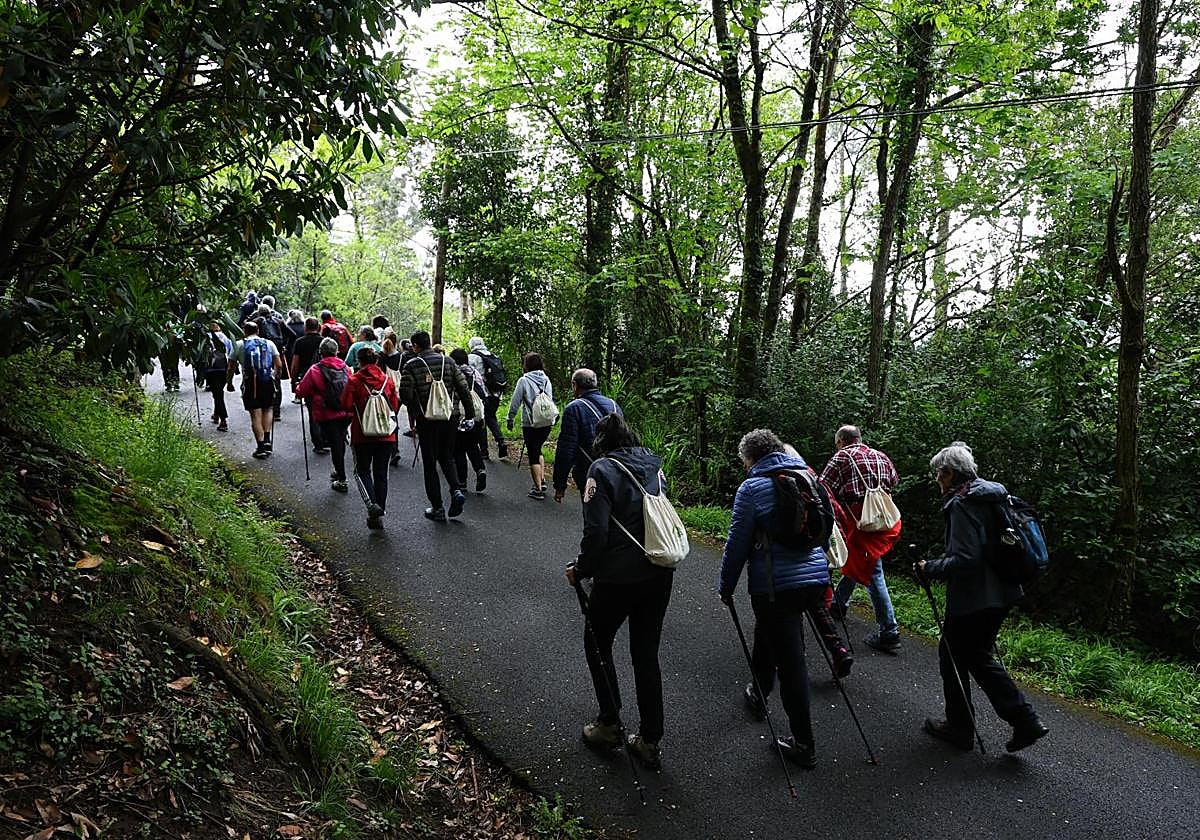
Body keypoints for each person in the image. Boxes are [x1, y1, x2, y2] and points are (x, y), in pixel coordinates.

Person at [917, 442, 1049, 753]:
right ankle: (1021, 720)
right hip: (1004, 591)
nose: (937, 480)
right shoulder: (994, 495)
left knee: (954, 656)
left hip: (975, 597)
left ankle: (965, 727)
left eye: (938, 474)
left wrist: (929, 567)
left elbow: (966, 559)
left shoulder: (962, 504)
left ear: (949, 474)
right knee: (975, 656)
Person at [717, 428, 833, 769]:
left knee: (792, 661)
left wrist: (726, 586)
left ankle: (804, 744)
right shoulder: (808, 476)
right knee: (768, 634)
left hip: (775, 587)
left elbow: (737, 543)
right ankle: (759, 690)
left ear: (750, 458)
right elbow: (826, 527)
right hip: (813, 580)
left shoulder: (751, 488)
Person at [565, 414, 674, 771]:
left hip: (617, 577)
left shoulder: (601, 469)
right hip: (658, 571)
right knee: (646, 653)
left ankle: (609, 723)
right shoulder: (653, 464)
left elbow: (596, 532)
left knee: (597, 643)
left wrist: (582, 569)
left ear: (600, 442)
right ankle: (649, 739)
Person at [821, 424, 903, 654]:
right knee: (860, 560)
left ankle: (889, 631)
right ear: (859, 438)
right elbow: (894, 481)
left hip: (859, 522)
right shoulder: (880, 455)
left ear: (840, 442)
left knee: (873, 571)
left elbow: (823, 488)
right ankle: (839, 603)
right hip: (883, 521)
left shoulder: (841, 458)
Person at [399, 331, 476, 522]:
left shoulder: (412, 365)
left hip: (427, 421)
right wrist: (470, 413)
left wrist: (417, 409)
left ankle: (437, 508)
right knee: (447, 457)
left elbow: (405, 396)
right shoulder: (448, 362)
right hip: (450, 417)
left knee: (430, 463)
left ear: (415, 346)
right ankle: (456, 490)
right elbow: (463, 388)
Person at [340, 346, 399, 528]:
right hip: (386, 435)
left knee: (361, 471)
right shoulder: (387, 381)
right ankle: (379, 510)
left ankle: (372, 504)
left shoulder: (355, 380)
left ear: (360, 362)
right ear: (376, 361)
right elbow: (394, 406)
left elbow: (346, 405)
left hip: (362, 434)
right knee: (381, 474)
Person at [553, 368, 621, 504]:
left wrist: (560, 485)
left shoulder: (574, 408)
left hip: (590, 472)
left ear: (574, 385)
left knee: (593, 516)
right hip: (616, 470)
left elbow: (566, 449)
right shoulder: (614, 405)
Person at [295, 338, 353, 493]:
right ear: (336, 351)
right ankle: (338, 470)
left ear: (321, 353)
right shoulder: (345, 368)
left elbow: (302, 392)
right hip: (346, 412)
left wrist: (297, 387)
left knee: (336, 445)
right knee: (339, 442)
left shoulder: (315, 369)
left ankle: (342, 479)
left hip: (327, 413)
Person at [226, 321, 281, 459]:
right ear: (258, 331)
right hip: (267, 381)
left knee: (255, 414)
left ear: (244, 331)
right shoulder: (269, 344)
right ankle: (267, 439)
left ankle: (261, 447)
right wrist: (274, 376)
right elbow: (278, 364)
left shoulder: (239, 345)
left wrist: (229, 382)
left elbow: (231, 366)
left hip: (250, 383)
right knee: (268, 409)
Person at [507, 352, 554, 500]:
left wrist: (510, 418)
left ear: (526, 365)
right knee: (537, 449)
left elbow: (515, 402)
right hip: (546, 421)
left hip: (530, 423)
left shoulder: (524, 381)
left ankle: (538, 490)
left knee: (533, 454)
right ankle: (542, 480)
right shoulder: (546, 379)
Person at [449, 347, 487, 492]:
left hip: (459, 415)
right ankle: (480, 469)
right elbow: (483, 393)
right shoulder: (475, 373)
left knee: (458, 449)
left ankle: (462, 481)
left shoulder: (454, 373)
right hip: (476, 414)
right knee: (472, 446)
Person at [290, 317, 328, 452]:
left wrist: (293, 380)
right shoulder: (324, 341)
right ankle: (326, 439)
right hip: (325, 378)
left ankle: (318, 443)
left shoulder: (300, 342)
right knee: (326, 408)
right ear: (318, 327)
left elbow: (295, 363)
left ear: (306, 328)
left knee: (313, 411)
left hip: (308, 378)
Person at [467, 336, 508, 458]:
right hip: (496, 393)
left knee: (481, 420)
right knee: (491, 417)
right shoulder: (493, 356)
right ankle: (500, 441)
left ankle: (484, 451)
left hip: (482, 394)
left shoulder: (472, 357)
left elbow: (470, 375)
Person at [203, 320, 233, 432]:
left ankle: (223, 420)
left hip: (211, 368)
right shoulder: (225, 337)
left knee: (218, 394)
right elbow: (230, 351)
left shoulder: (204, 337)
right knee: (218, 391)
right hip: (223, 367)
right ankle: (216, 414)